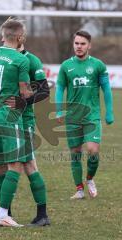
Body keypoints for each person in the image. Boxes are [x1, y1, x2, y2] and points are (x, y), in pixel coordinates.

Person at [0, 18, 50, 227]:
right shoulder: (12, 59)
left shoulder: (31, 60)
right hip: (10, 118)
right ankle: (5, 213)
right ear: (20, 36)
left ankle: (41, 214)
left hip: (25, 119)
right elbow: (0, 90)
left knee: (27, 164)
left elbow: (44, 90)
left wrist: (24, 100)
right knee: (9, 166)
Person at [55, 30, 114, 199]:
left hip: (92, 115)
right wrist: (59, 109)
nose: (79, 47)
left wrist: (109, 112)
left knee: (93, 150)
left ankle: (89, 179)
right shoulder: (66, 66)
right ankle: (79, 190)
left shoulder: (98, 65)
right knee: (75, 153)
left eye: (82, 44)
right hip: (73, 116)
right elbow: (60, 88)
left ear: (89, 45)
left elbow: (107, 89)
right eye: (76, 43)